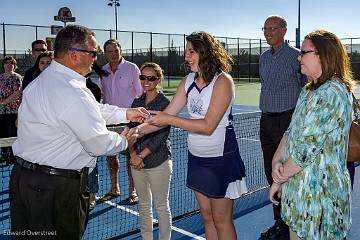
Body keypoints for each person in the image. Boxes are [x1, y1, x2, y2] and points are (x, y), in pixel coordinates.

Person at [10, 24, 148, 239]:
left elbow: (88, 109)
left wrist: (126, 113)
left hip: (25, 180)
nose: (96, 58)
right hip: (56, 190)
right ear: (74, 55)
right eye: (93, 53)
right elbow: (99, 143)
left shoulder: (46, 81)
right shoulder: (71, 90)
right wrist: (125, 139)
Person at [131, 31, 247, 240]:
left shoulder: (223, 81)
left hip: (221, 160)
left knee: (222, 220)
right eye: (186, 52)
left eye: (191, 52)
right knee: (207, 217)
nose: (187, 57)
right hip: (197, 159)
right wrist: (136, 131)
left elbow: (208, 126)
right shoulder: (188, 81)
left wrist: (167, 120)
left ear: (206, 52)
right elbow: (165, 116)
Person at [269, 29, 354, 239]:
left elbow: (305, 150)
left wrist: (279, 178)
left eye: (304, 52)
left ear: (323, 55)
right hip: (298, 198)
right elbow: (291, 131)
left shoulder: (332, 93)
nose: (299, 57)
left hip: (321, 205)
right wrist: (276, 162)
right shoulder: (308, 90)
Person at [259, 15, 306, 239]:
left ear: (284, 31)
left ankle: (291, 223)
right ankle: (280, 222)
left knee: (285, 174)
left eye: (272, 28)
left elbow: (308, 89)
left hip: (287, 122)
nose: (268, 32)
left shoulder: (297, 57)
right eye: (265, 29)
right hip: (265, 121)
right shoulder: (263, 57)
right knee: (271, 173)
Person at [128, 62, 172, 240]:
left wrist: (140, 156)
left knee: (161, 206)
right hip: (136, 163)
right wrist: (132, 154)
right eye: (143, 77)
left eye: (151, 78)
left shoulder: (165, 103)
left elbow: (161, 135)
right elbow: (130, 130)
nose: (146, 81)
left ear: (159, 79)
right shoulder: (136, 102)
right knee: (144, 206)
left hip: (158, 162)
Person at [99, 39, 143, 204]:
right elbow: (103, 95)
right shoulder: (103, 71)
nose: (113, 54)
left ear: (121, 51)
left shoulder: (132, 68)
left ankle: (133, 191)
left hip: (129, 121)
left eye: (116, 50)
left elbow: (140, 95)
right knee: (111, 156)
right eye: (109, 51)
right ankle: (114, 188)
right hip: (110, 122)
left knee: (131, 156)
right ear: (105, 53)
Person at [0, 56, 22, 164]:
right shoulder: (0, 78)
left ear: (14, 65)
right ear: (3, 65)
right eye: (6, 63)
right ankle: (4, 155)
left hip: (12, 112)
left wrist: (3, 102)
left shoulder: (16, 78)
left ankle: (12, 157)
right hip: (1, 112)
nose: (9, 65)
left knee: (11, 134)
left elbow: (17, 94)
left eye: (11, 63)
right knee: (2, 134)